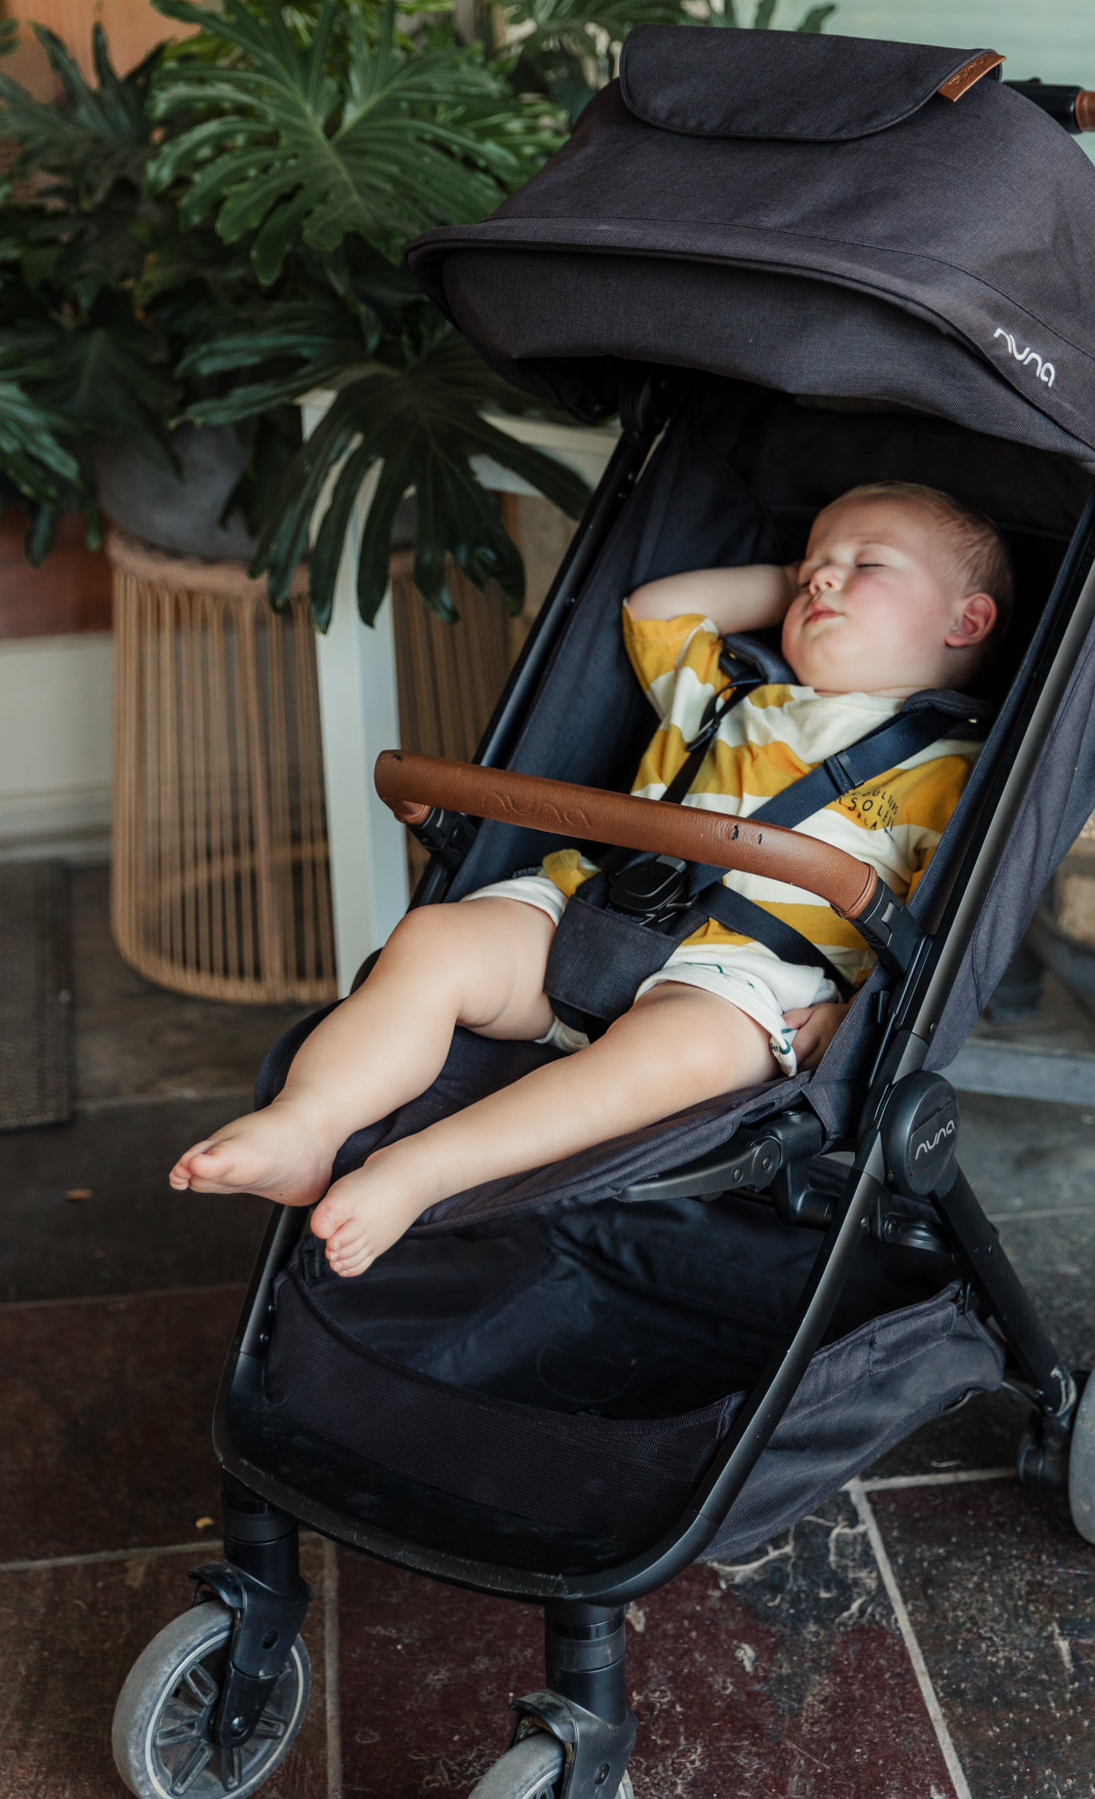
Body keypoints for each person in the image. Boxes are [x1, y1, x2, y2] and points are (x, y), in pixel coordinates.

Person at [170, 481, 1012, 1277]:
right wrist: (800, 574)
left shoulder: (954, 770)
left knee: (686, 1051)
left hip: (746, 974)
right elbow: (656, 608)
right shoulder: (725, 689)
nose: (823, 574)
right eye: (810, 567)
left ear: (966, 620)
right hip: (595, 904)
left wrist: (853, 1018)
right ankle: (306, 1123)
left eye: (866, 565)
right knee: (437, 939)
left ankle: (420, 1169)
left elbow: (933, 921)